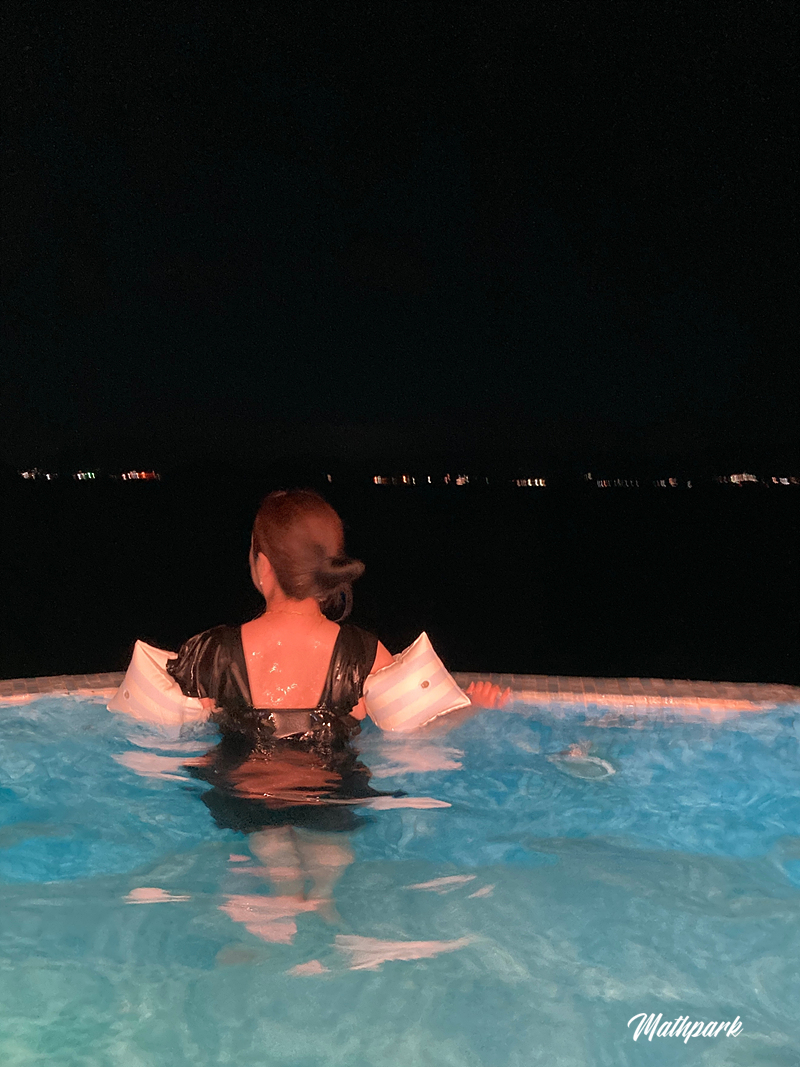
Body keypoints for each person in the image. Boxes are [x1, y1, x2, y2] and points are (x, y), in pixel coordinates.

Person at [167, 488, 506, 935]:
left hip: (244, 791)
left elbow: (182, 720)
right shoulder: (364, 653)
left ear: (262, 566)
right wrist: (472, 708)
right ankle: (324, 898)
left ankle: (284, 892)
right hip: (334, 788)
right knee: (331, 844)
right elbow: (416, 725)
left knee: (266, 838)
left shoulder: (213, 650)